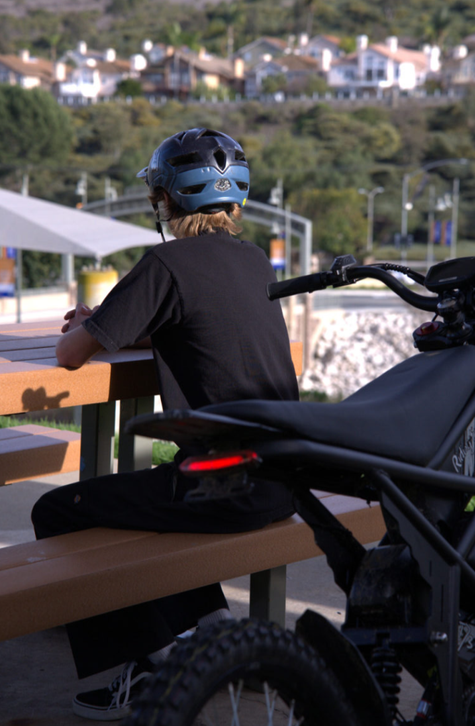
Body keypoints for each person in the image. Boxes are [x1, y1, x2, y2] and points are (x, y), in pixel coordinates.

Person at [31, 127, 299, 721]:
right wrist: (112, 321)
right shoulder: (253, 260)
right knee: (145, 506)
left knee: (55, 511)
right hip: (282, 476)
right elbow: (194, 320)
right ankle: (212, 629)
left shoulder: (166, 262)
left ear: (167, 200)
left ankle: (154, 665)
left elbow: (70, 355)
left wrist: (89, 324)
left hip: (224, 487)